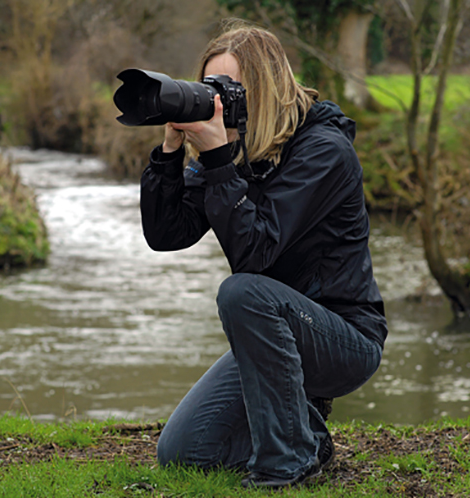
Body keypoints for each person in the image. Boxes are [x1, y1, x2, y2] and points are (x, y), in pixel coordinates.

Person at [139, 23, 387, 489]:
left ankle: (288, 464)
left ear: (265, 89)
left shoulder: (324, 151)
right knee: (183, 454)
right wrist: (171, 154)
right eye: (209, 88)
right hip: (271, 334)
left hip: (344, 337)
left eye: (228, 89)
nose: (218, 101)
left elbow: (255, 253)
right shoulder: (236, 151)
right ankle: (306, 432)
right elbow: (166, 234)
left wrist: (216, 161)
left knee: (241, 292)